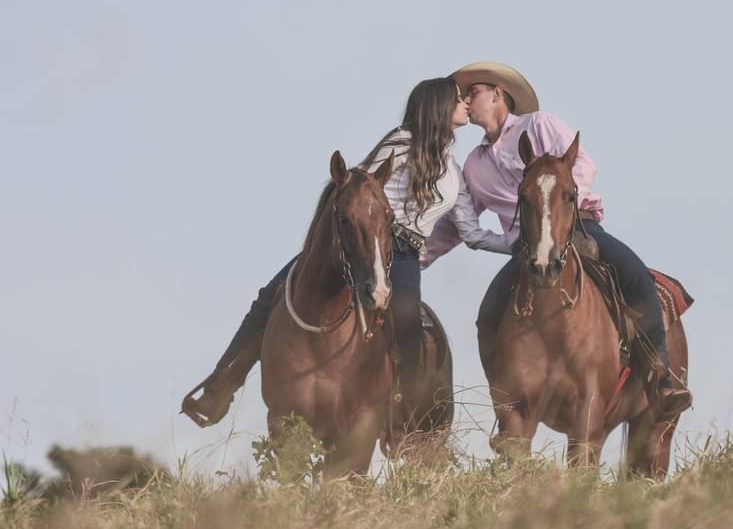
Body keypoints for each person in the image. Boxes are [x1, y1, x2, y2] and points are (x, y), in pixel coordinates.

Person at [183, 77, 510, 425]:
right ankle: (221, 386)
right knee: (271, 296)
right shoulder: (400, 143)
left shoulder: (454, 173)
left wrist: (517, 246)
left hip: (404, 255)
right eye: (456, 98)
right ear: (437, 106)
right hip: (364, 242)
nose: (464, 103)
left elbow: (472, 233)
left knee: (409, 324)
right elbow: (359, 188)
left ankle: (408, 418)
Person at [422, 62, 692, 420]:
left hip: (577, 224)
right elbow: (457, 225)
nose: (467, 102)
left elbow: (583, 166)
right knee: (488, 315)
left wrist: (557, 213)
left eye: (473, 92)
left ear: (498, 93)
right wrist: (415, 256)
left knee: (635, 275)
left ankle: (660, 376)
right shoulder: (474, 164)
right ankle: (507, 405)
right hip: (526, 248)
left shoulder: (539, 124)